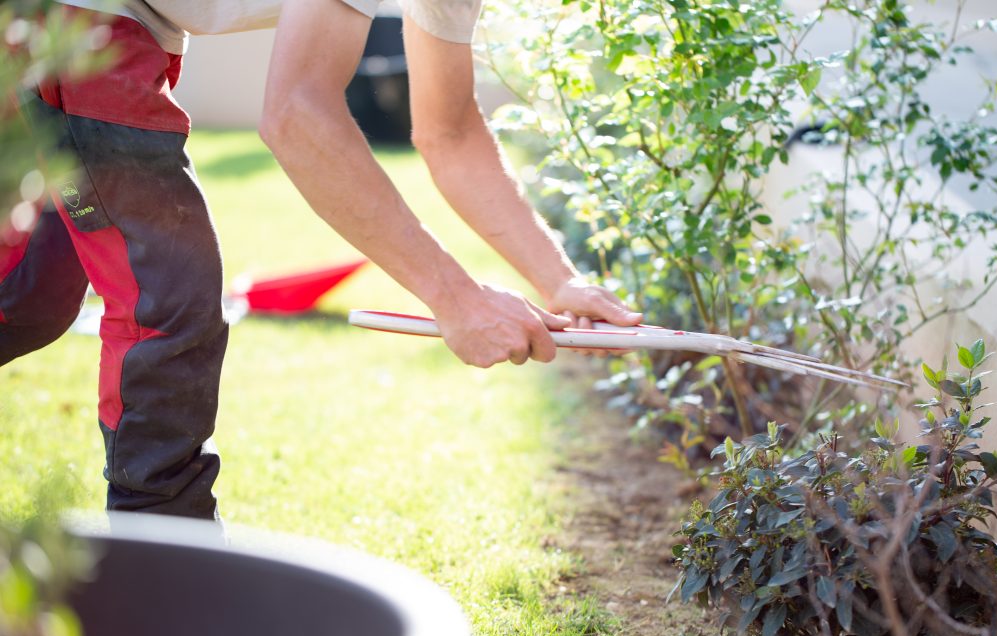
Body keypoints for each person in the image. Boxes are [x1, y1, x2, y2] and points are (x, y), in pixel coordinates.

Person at [0, 0, 642, 520]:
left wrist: (560, 282)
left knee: (30, 292)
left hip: (114, 25)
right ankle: (167, 567)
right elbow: (297, 114)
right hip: (74, 21)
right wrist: (457, 299)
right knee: (168, 294)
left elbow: (448, 131)